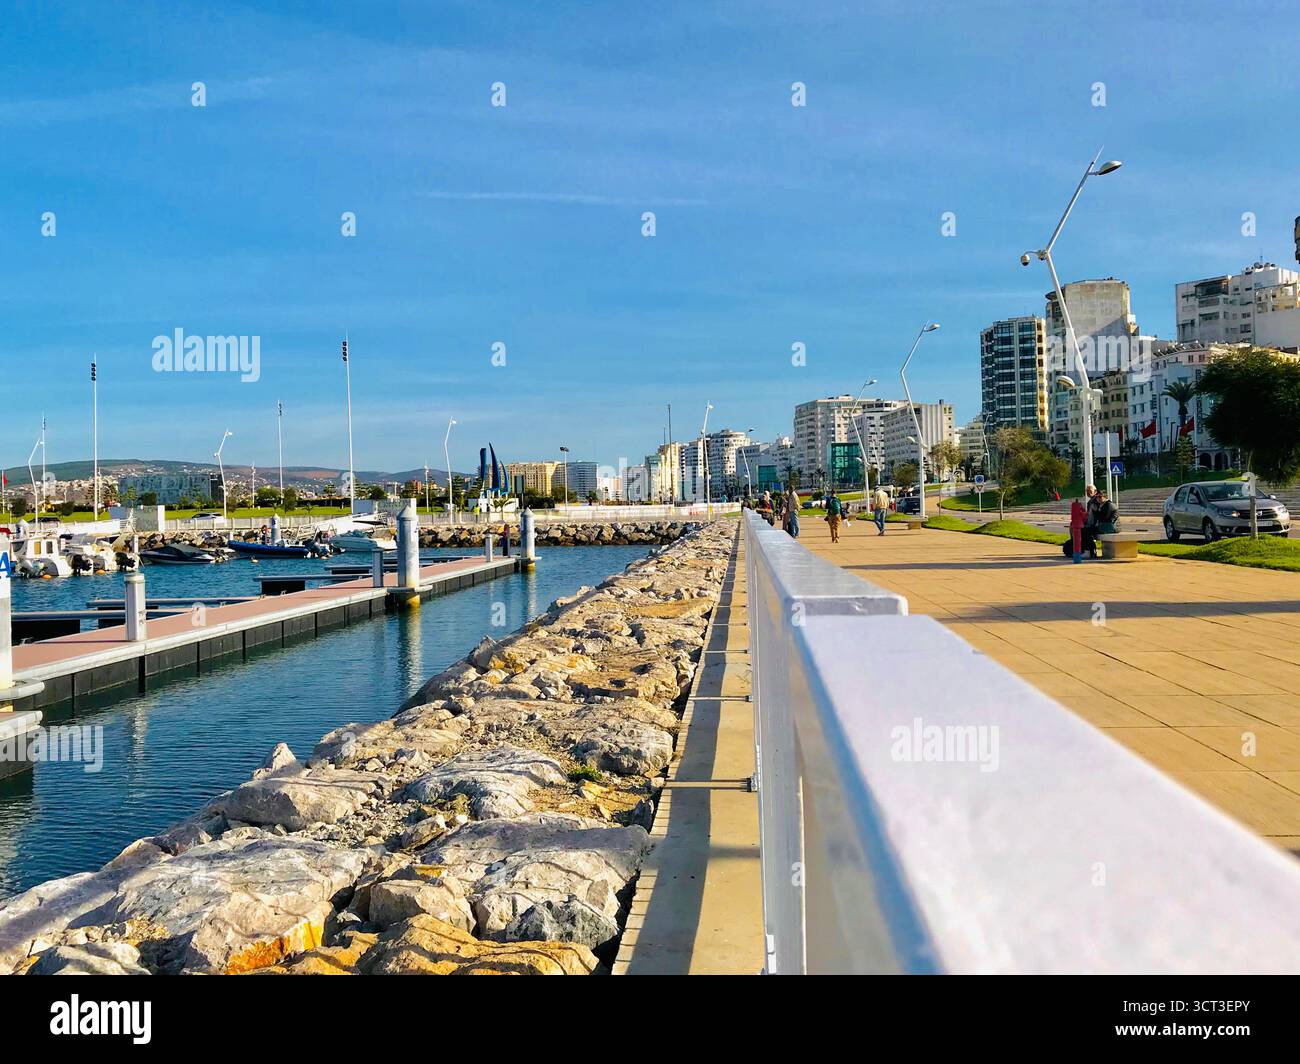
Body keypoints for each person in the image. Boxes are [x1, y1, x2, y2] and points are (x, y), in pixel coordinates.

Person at [1069, 497, 1087, 563]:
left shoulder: (1074, 507)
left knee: (1076, 542)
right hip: (1078, 525)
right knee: (1077, 542)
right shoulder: (1080, 508)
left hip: (1074, 524)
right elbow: (1084, 516)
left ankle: (1076, 558)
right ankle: (1077, 558)